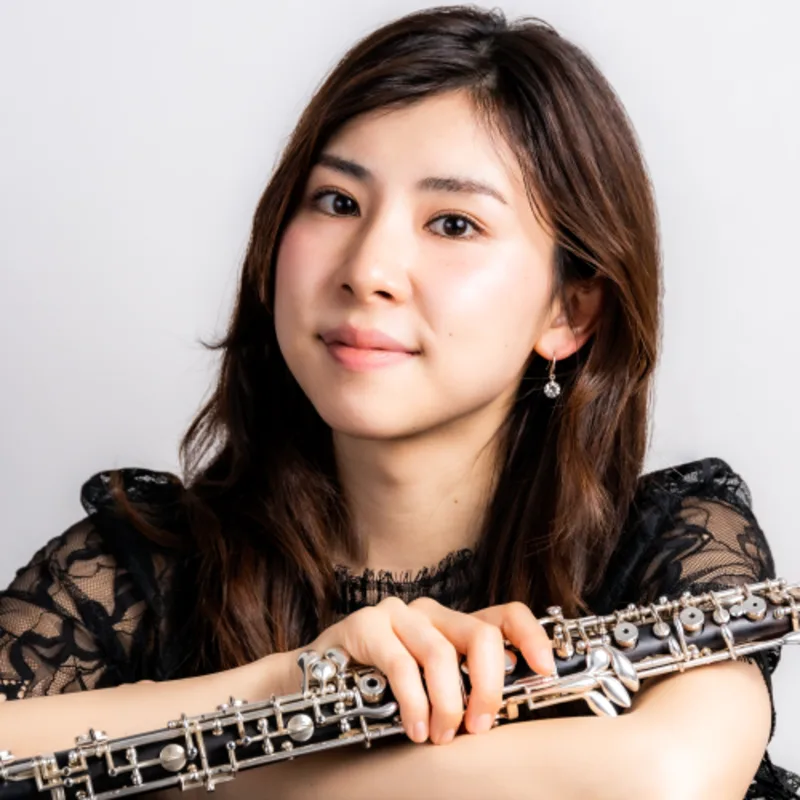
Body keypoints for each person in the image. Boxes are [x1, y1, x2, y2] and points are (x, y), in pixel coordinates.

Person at [0, 5, 797, 798]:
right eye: (337, 202)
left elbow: (661, 780)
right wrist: (282, 686)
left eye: (452, 223)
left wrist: (193, 776)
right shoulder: (135, 573)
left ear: (569, 311)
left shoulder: (671, 547)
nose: (367, 269)